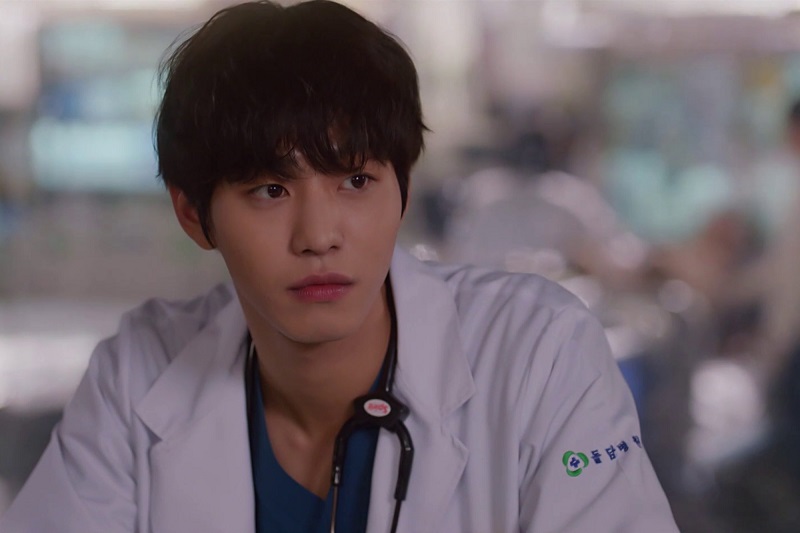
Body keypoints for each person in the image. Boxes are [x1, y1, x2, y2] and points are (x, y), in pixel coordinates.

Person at [0, 2, 678, 532]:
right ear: (192, 214)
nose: (319, 236)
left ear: (403, 189)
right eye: (270, 190)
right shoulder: (139, 372)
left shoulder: (539, 352)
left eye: (356, 181)